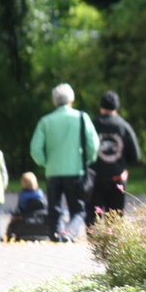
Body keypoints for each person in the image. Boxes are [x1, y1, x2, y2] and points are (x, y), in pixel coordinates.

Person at [30, 83, 99, 242]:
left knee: (54, 210)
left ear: (54, 101)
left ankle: (56, 239)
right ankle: (69, 233)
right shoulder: (82, 117)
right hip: (75, 171)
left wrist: (45, 162)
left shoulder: (45, 121)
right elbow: (93, 145)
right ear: (72, 99)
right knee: (78, 211)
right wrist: (87, 159)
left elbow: (35, 148)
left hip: (53, 172)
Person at [85, 90, 141, 228]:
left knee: (93, 218)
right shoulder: (124, 127)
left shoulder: (91, 124)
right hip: (117, 178)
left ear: (101, 106)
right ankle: (112, 247)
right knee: (115, 220)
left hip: (95, 178)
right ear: (117, 106)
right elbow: (135, 155)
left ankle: (93, 245)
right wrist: (124, 169)